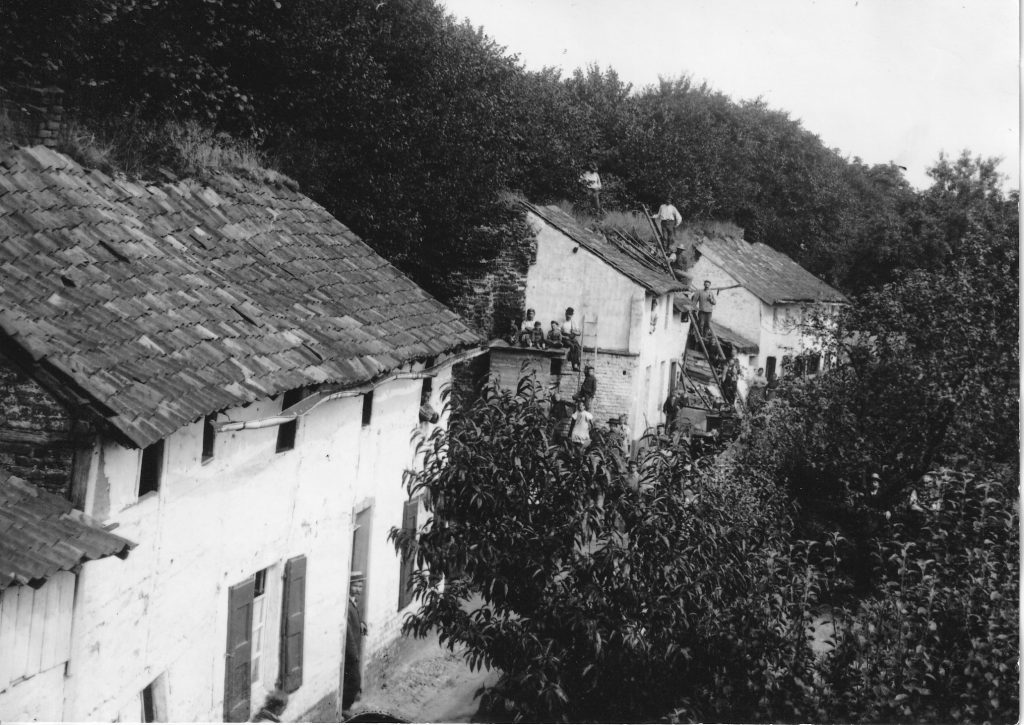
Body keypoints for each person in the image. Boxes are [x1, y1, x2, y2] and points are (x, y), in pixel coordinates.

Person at [342, 579, 367, 713]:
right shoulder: (346, 604)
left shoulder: (353, 601)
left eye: (360, 587)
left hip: (354, 649)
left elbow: (354, 618)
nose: (359, 589)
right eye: (356, 586)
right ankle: (344, 708)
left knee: (350, 679)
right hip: (350, 652)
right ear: (349, 586)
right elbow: (348, 632)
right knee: (354, 681)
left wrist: (361, 623)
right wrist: (354, 653)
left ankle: (345, 707)